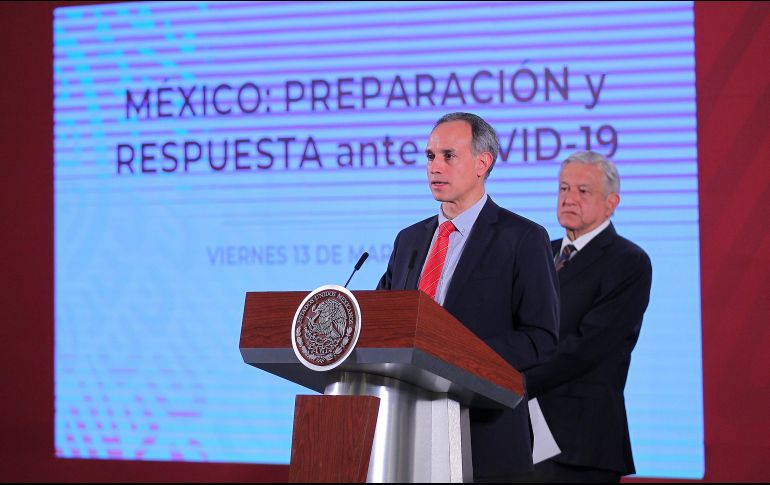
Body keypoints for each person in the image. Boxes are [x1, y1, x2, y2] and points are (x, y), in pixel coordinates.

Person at [377, 112, 560, 481]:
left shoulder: (521, 237)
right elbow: (384, 321)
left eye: (448, 155)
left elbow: (541, 338)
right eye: (430, 157)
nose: (435, 167)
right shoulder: (409, 240)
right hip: (405, 431)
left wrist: (458, 357)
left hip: (483, 432)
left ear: (482, 163)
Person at [524, 151, 653, 482]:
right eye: (564, 188)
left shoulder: (629, 262)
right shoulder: (537, 251)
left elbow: (589, 345)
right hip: (518, 432)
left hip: (581, 441)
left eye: (583, 191)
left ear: (611, 203)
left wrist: (511, 380)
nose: (569, 199)